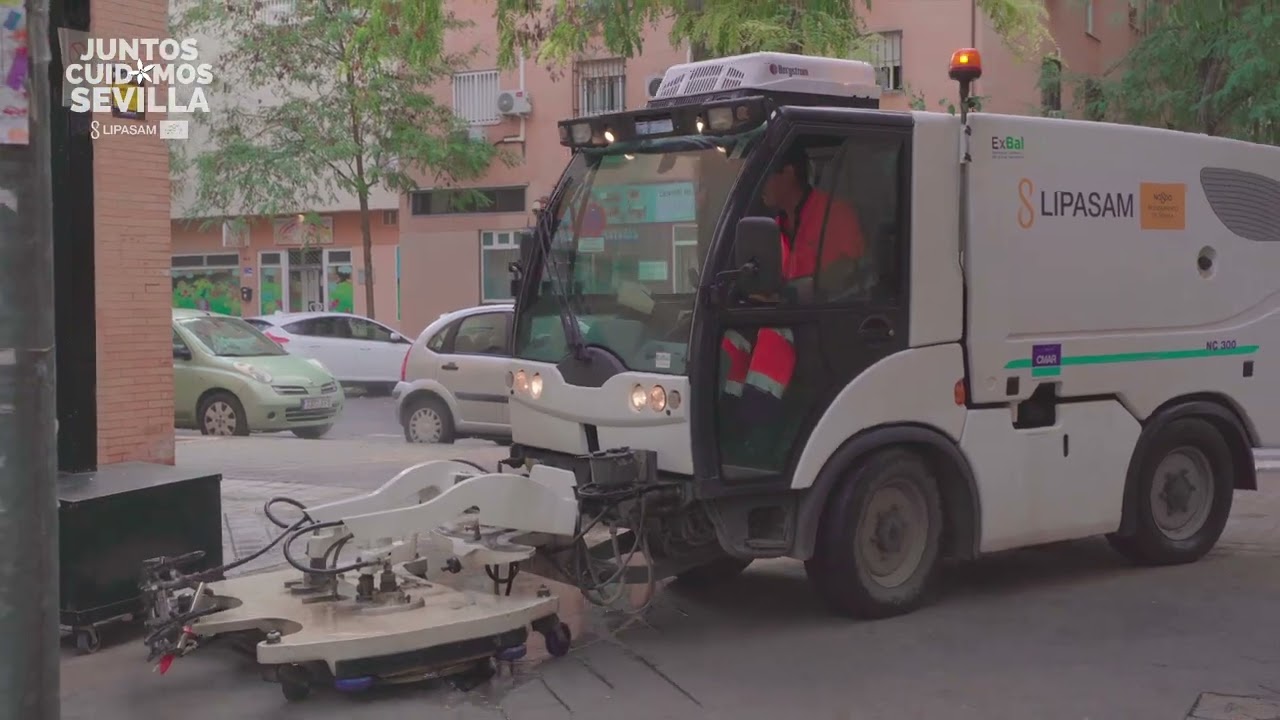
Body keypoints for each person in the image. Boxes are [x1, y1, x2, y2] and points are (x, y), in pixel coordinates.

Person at [719, 145, 866, 461]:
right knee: (734, 337)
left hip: (828, 324)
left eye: (766, 175)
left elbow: (849, 276)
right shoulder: (776, 225)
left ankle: (757, 429)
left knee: (774, 335)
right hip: (792, 313)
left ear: (789, 173)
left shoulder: (833, 215)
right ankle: (727, 423)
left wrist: (790, 294)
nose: (761, 186)